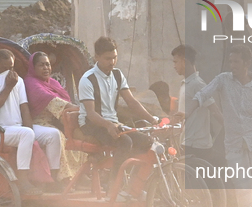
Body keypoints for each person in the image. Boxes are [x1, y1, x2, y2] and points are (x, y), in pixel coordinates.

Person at [187, 44, 252, 207]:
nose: (232, 65)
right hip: (234, 145)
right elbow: (202, 95)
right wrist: (185, 113)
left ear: (247, 63)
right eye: (230, 61)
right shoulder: (223, 80)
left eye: (236, 61)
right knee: (242, 184)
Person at [78, 37, 156, 198]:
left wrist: (154, 120)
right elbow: (91, 114)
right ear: (97, 57)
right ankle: (114, 187)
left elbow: (132, 102)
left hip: (112, 123)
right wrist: (108, 125)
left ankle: (133, 186)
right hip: (92, 124)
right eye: (108, 58)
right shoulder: (87, 79)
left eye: (114, 57)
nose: (112, 62)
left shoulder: (117, 75)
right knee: (125, 142)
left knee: (147, 142)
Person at [0, 49, 57, 195]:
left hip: (18, 130)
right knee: (26, 134)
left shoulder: (18, 81)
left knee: (53, 135)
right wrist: (8, 87)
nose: (9, 73)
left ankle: (53, 179)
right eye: (4, 69)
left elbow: (24, 108)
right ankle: (22, 180)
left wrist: (32, 133)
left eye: (11, 68)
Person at [24, 51, 86, 185]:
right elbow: (52, 101)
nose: (46, 68)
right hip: (36, 123)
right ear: (33, 68)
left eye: (48, 65)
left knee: (80, 136)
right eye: (41, 65)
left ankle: (78, 175)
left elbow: (65, 100)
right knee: (56, 136)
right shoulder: (31, 83)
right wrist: (81, 110)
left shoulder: (53, 83)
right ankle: (56, 177)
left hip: (58, 122)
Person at [170, 44, 224, 167]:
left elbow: (215, 110)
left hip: (197, 145)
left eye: (176, 62)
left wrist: (232, 131)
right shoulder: (185, 84)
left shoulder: (198, 84)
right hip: (187, 142)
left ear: (184, 62)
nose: (174, 66)